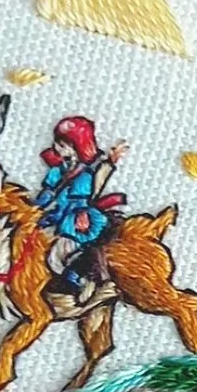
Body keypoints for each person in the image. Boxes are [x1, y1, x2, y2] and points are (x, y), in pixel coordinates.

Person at [34, 117, 128, 306]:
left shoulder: (85, 174)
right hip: (56, 214)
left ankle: (73, 280)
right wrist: (35, 209)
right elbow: (46, 193)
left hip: (75, 216)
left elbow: (78, 200)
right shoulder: (57, 170)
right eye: (57, 143)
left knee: (64, 249)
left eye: (63, 145)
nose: (57, 148)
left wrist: (63, 214)